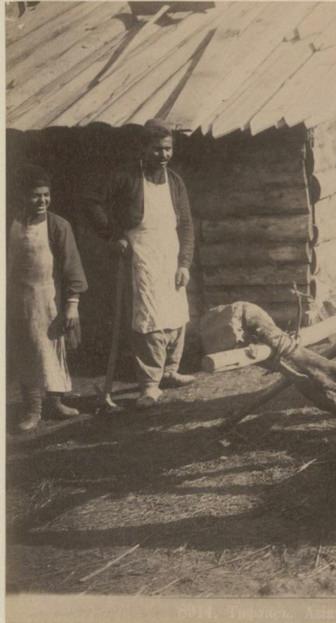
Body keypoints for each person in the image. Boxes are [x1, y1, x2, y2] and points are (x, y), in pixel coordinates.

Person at [85, 118, 195, 408]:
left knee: (176, 313)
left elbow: (185, 226)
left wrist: (184, 263)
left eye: (168, 149)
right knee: (148, 317)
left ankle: (170, 371)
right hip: (141, 253)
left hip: (169, 253)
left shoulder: (175, 182)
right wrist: (113, 235)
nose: (164, 155)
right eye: (157, 149)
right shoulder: (126, 178)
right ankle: (149, 385)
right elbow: (92, 202)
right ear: (143, 149)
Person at [7, 165, 87, 432]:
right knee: (25, 352)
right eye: (35, 196)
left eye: (46, 195)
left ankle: (55, 403)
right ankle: (33, 409)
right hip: (17, 301)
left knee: (52, 352)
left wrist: (71, 306)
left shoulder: (58, 226)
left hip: (48, 300)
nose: (42, 201)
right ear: (22, 197)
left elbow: (72, 267)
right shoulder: (10, 223)